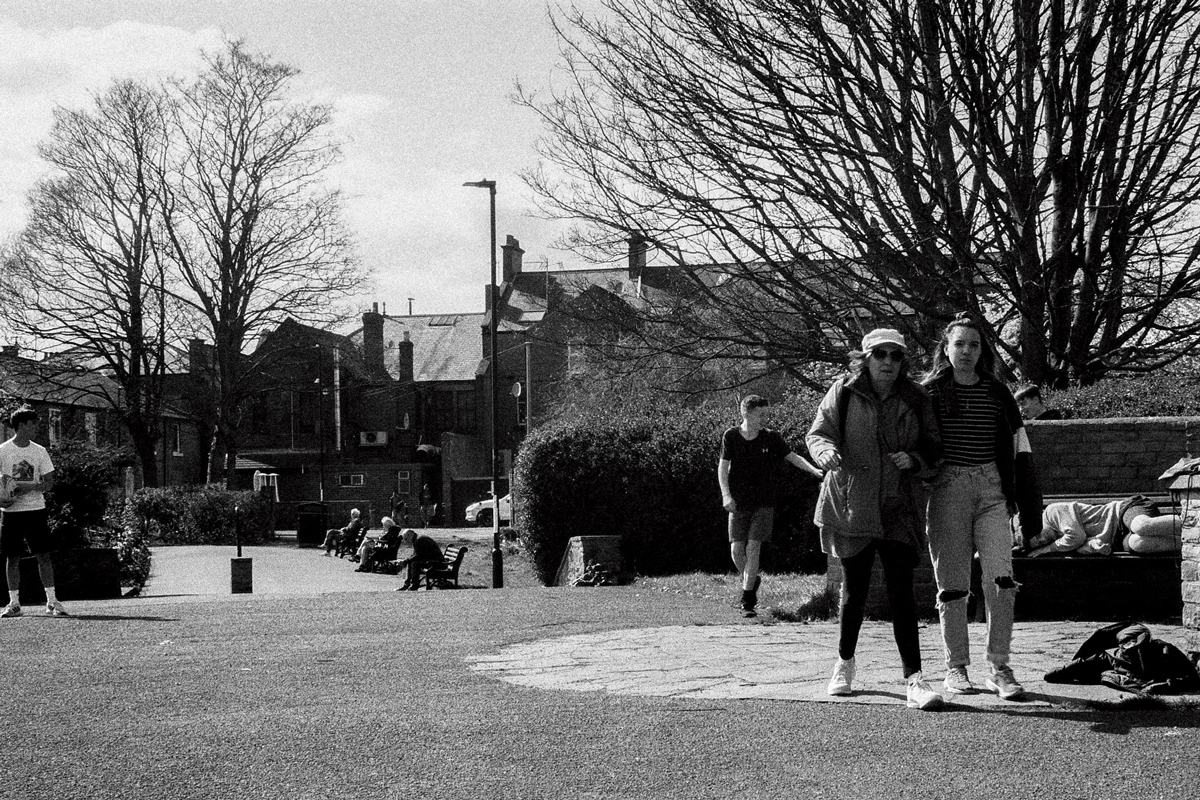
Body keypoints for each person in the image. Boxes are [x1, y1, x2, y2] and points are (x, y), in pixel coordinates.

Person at [807, 328, 944, 710]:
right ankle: (844, 663)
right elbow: (818, 433)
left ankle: (914, 680)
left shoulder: (917, 398)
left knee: (902, 593)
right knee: (854, 592)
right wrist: (825, 452)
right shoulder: (844, 391)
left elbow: (934, 447)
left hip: (898, 505)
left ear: (904, 361)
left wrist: (914, 460)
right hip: (854, 502)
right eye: (880, 354)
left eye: (896, 355)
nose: (888, 362)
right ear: (865, 358)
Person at [922, 313, 1041, 701]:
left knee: (1001, 580)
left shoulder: (998, 392)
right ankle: (956, 667)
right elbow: (910, 441)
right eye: (960, 344)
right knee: (953, 585)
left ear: (982, 350)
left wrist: (1027, 506)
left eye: (974, 345)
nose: (967, 352)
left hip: (992, 491)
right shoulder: (930, 393)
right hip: (948, 490)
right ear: (946, 348)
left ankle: (999, 666)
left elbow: (1020, 450)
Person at [718, 394, 823, 618]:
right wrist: (726, 495)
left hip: (764, 501)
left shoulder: (771, 438)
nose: (765, 418)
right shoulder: (731, 436)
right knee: (737, 550)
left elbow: (792, 457)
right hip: (738, 501)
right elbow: (722, 468)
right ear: (746, 413)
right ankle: (752, 579)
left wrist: (814, 470)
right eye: (761, 414)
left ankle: (748, 598)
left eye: (767, 414)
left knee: (753, 546)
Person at [0, 407, 68, 618]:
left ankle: (52, 601)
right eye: (33, 424)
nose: (38, 428)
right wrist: (4, 496)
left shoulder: (40, 451)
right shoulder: (2, 450)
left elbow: (49, 483)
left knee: (43, 555)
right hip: (11, 512)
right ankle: (14, 603)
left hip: (35, 509)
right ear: (21, 426)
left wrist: (28, 488)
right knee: (12, 557)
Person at [1025, 495, 1181, 557]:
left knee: (1141, 526)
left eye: (1039, 536)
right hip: (1119, 539)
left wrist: (1047, 549)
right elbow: (1083, 544)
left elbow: (1077, 536)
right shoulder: (1061, 544)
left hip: (1122, 512)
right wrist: (1096, 546)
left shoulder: (1052, 513)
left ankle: (1194, 523)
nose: (1043, 540)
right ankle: (1191, 544)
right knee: (1138, 543)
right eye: (1040, 544)